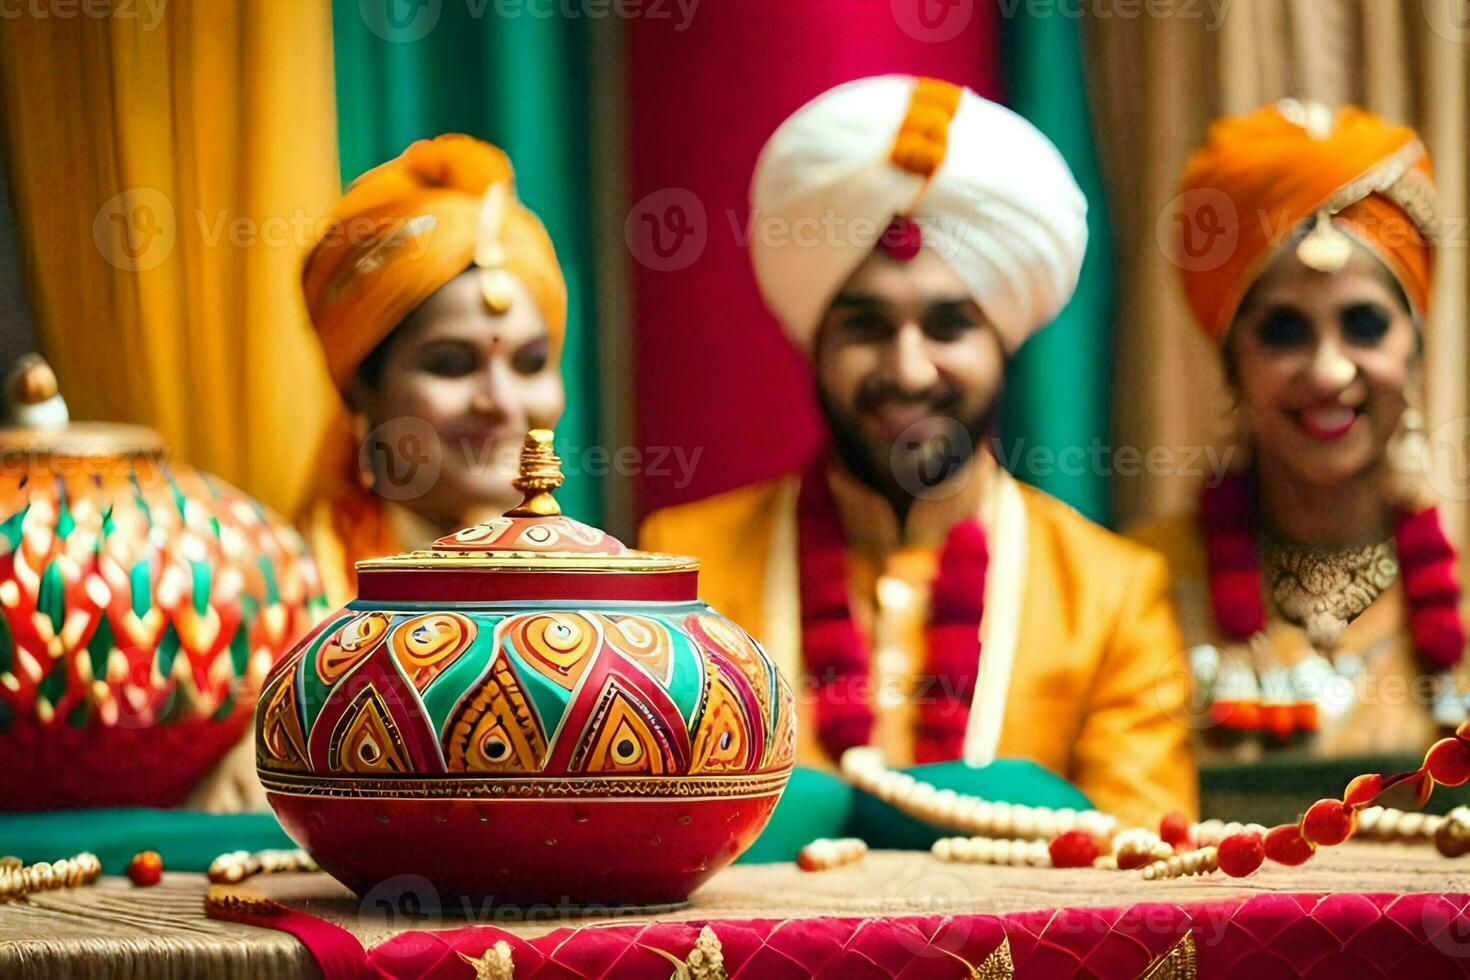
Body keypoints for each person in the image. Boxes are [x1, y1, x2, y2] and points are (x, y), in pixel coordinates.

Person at [640, 75, 1195, 827]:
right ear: (816, 343)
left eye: (947, 326)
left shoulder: (1110, 596)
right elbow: (659, 835)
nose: (907, 370)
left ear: (1003, 340)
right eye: (868, 327)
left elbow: (1144, 877)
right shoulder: (685, 570)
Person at [1130, 101, 1464, 761]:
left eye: (1365, 325)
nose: (1328, 369)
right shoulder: (1138, 591)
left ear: (1415, 352)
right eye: (1284, 330)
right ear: (1233, 365)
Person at [297, 135, 568, 606]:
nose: (501, 402)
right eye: (451, 365)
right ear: (361, 387)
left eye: (531, 363)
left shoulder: (593, 593)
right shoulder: (290, 602)